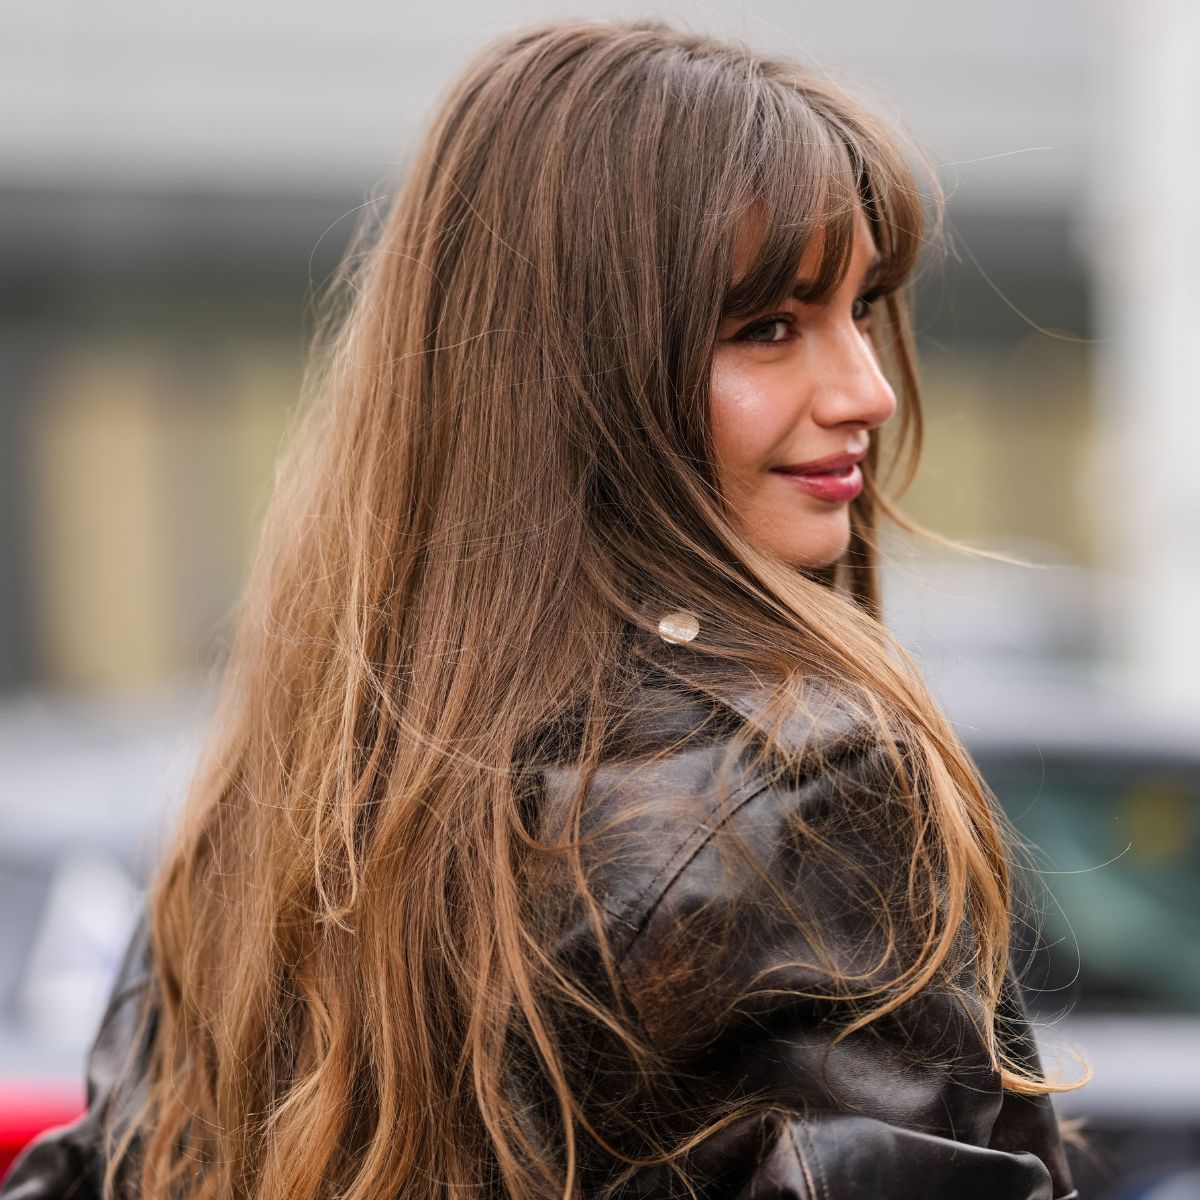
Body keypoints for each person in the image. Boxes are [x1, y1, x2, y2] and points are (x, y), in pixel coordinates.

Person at [2, 18, 1079, 1200]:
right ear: (577, 374)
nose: (867, 391)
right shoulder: (803, 784)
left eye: (862, 307)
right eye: (768, 327)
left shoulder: (279, 795)